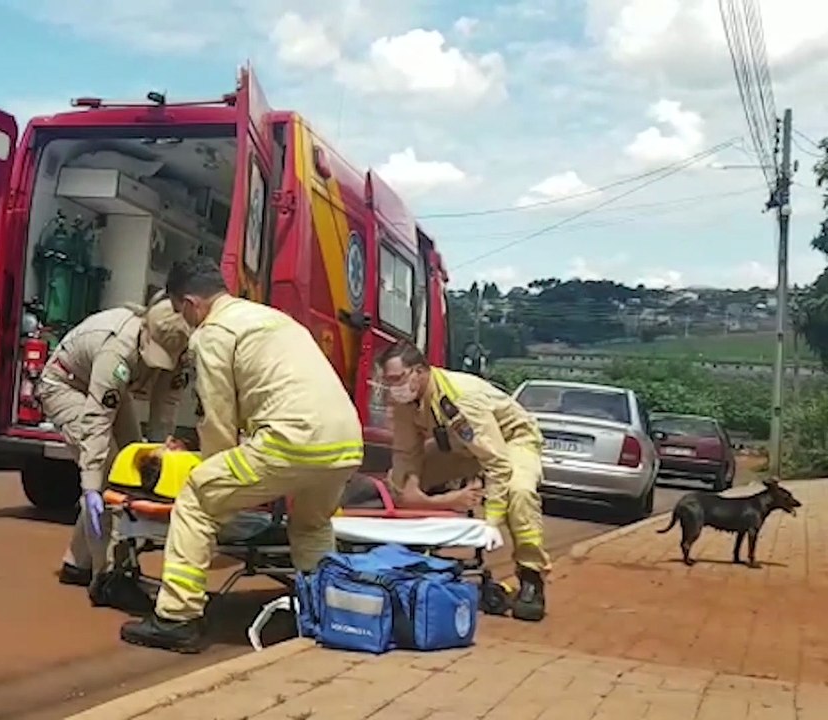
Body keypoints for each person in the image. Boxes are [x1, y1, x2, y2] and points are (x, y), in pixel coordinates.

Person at [119, 256, 364, 652]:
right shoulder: (271, 318)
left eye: (181, 311)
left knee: (197, 497)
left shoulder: (213, 332)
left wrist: (210, 468)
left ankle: (177, 617)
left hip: (291, 440)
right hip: (345, 444)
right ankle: (325, 610)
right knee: (311, 525)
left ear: (189, 304)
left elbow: (217, 420)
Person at [36, 295, 192, 614]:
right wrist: (92, 485)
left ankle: (77, 562)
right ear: (145, 333)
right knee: (110, 470)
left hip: (112, 393)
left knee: (132, 465)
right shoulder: (117, 350)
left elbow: (165, 409)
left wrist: (158, 455)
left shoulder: (184, 354)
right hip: (67, 384)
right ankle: (108, 575)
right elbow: (95, 423)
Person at [378, 340, 549, 621]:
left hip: (510, 440)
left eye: (397, 378)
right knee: (396, 482)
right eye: (388, 380)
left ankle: (531, 577)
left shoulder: (459, 401)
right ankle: (412, 550)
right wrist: (408, 491)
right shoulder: (406, 402)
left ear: (419, 371)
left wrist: (491, 522)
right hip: (460, 447)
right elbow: (406, 454)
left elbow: (497, 462)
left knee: (519, 494)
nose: (393, 386)